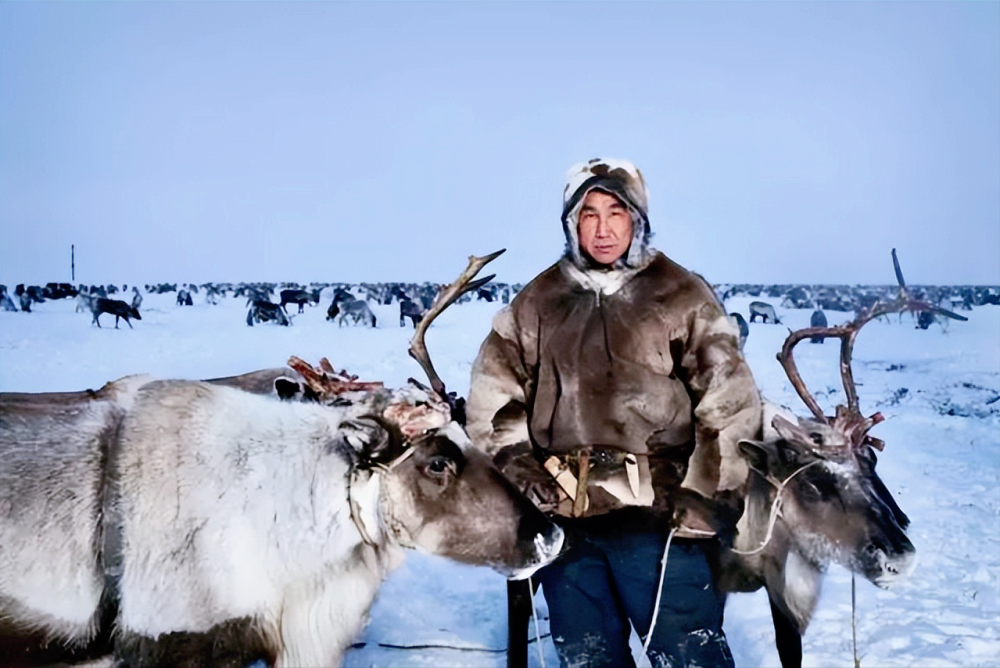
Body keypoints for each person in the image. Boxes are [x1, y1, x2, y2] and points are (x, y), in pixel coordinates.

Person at [466, 158, 762, 668]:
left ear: (637, 219)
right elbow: (494, 398)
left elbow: (730, 404)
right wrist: (521, 469)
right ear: (571, 223)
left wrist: (703, 499)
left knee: (690, 656)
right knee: (588, 658)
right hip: (567, 520)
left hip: (660, 520)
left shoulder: (679, 294)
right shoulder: (539, 300)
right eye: (588, 214)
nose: (602, 229)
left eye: (616, 213)